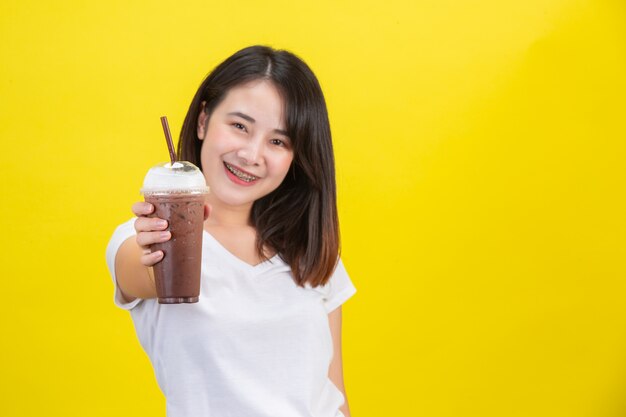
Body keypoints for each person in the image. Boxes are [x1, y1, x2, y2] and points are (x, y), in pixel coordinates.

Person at [105, 45, 357, 417]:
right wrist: (160, 240)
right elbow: (143, 271)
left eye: (278, 141)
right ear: (204, 120)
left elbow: (333, 389)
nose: (252, 155)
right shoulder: (147, 241)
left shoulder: (310, 247)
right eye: (240, 126)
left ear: (296, 155)